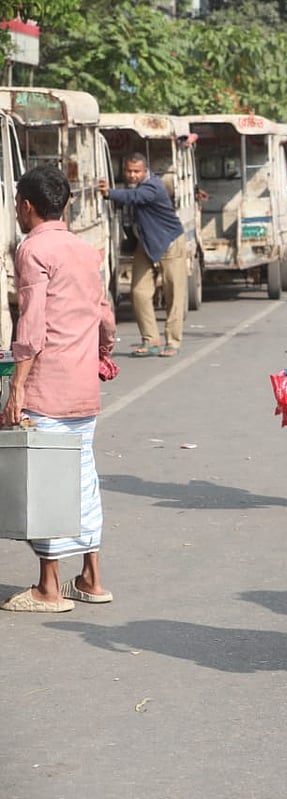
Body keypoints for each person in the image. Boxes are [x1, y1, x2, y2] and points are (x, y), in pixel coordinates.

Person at [2, 166, 117, 613]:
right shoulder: (86, 250)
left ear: (27, 206)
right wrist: (102, 351)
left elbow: (31, 327)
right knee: (83, 476)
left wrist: (17, 386)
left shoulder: (33, 249)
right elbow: (104, 316)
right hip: (83, 384)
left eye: (17, 203)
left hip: (47, 385)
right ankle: (91, 577)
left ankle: (49, 587)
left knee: (46, 481)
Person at [99, 152, 188, 358]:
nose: (132, 175)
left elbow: (134, 198)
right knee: (139, 292)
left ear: (145, 171)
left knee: (173, 294)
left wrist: (109, 193)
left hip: (169, 242)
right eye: (129, 171)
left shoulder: (153, 187)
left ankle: (173, 342)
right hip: (146, 243)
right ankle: (151, 340)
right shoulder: (134, 187)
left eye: (136, 171)